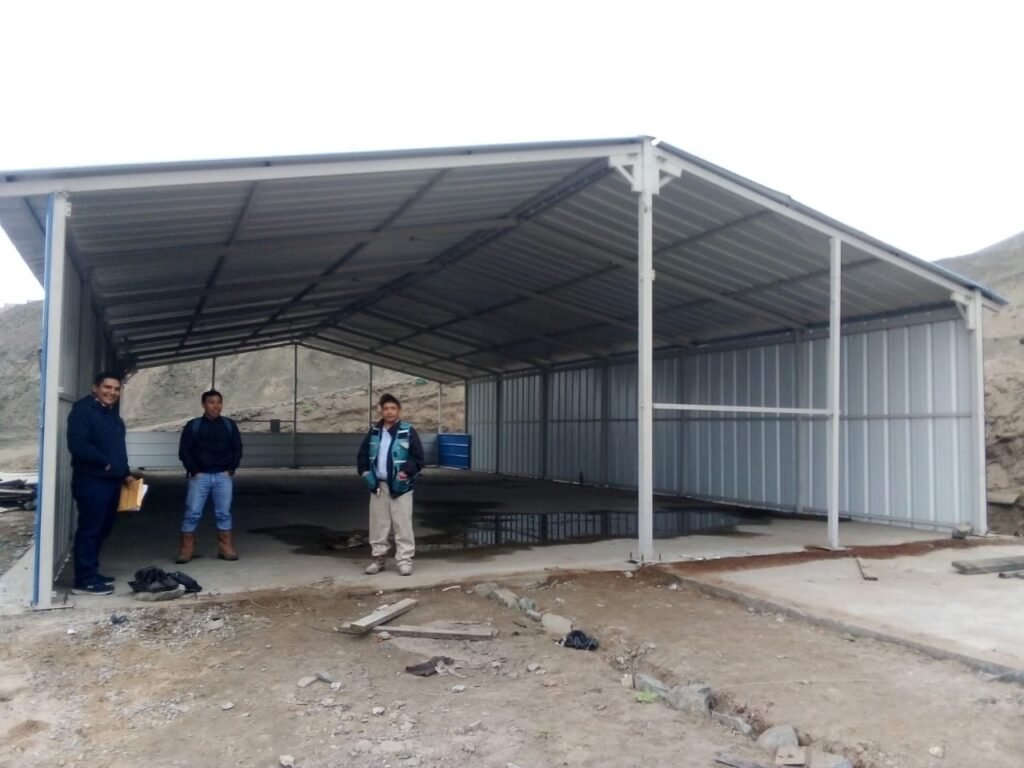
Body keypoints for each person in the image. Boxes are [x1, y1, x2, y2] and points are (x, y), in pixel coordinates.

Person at [66, 371, 134, 596]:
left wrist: (125, 473)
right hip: (92, 482)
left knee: (103, 527)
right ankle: (84, 581)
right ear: (95, 387)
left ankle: (92, 572)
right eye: (107, 387)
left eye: (116, 389)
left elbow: (118, 449)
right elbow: (78, 444)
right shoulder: (82, 411)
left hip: (112, 482)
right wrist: (104, 463)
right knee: (90, 529)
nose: (112, 392)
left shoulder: (111, 414)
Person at [356, 393, 425, 576]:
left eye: (393, 408)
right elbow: (362, 455)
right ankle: (378, 559)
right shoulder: (374, 432)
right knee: (379, 524)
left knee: (402, 524)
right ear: (381, 410)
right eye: (386, 408)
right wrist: (365, 472)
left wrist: (406, 472)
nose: (389, 412)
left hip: (401, 486)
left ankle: (404, 560)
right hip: (379, 486)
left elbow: (418, 458)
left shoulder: (408, 431)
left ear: (399, 410)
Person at [176, 389, 243, 563]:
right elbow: (184, 451)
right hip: (200, 477)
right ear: (203, 404)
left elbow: (237, 448)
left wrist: (231, 469)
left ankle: (225, 547)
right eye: (211, 402)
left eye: (218, 402)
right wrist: (194, 470)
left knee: (224, 513)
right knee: (192, 513)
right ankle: (187, 548)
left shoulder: (229, 425)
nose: (216, 406)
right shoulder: (194, 426)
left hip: (223, 476)